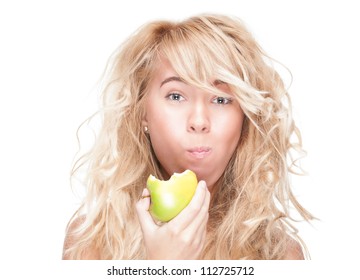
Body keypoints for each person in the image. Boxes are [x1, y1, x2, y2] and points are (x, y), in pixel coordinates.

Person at [62, 14, 313, 260]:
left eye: (221, 99)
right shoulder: (91, 242)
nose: (199, 122)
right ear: (142, 113)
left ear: (244, 118)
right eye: (176, 96)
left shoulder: (279, 256)